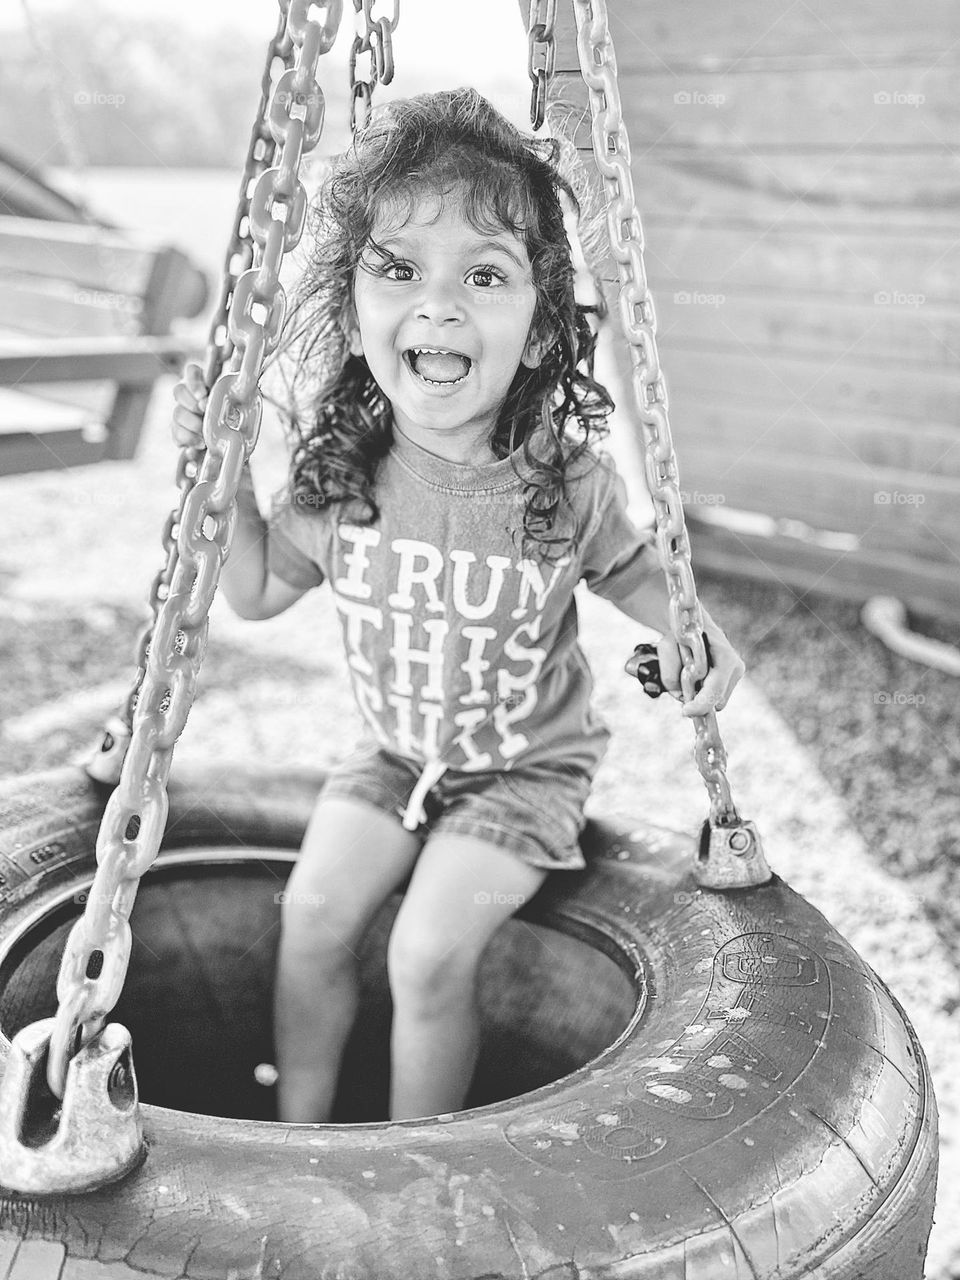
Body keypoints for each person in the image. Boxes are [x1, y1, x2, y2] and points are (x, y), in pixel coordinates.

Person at [172, 87, 746, 1125]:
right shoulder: (342, 471)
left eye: (483, 276)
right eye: (398, 270)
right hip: (392, 752)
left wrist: (698, 640)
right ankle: (299, 1131)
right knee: (311, 913)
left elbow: (650, 584)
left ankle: (414, 1152)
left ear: (536, 333)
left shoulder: (562, 482)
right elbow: (253, 592)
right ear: (354, 316)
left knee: (429, 947)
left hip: (524, 773)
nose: (436, 306)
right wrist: (214, 473)